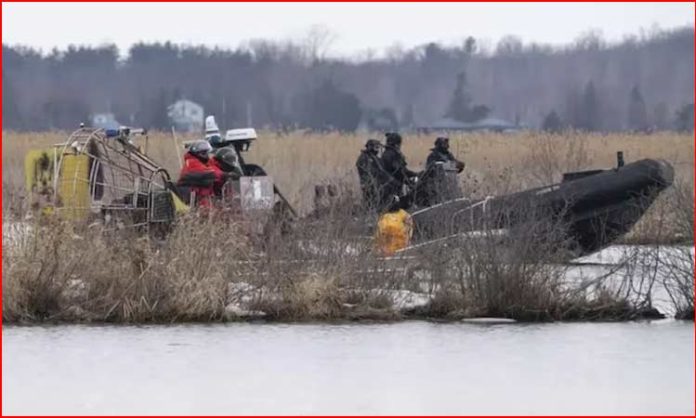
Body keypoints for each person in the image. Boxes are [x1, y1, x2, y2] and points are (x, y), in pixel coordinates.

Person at [417, 137, 465, 206]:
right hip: (437, 182)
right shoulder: (433, 155)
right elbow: (430, 168)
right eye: (444, 143)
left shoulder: (448, 155)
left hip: (450, 182)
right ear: (439, 144)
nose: (446, 145)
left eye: (446, 143)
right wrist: (442, 165)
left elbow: (454, 164)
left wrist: (459, 165)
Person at [380, 132, 418, 210]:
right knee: (394, 206)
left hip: (392, 185)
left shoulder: (388, 153)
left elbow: (402, 170)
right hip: (392, 186)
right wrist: (409, 180)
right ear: (396, 144)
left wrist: (414, 174)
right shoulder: (392, 154)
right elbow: (399, 171)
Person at [177, 140, 217, 208]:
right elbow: (209, 173)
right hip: (198, 200)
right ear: (199, 153)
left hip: (202, 199)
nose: (207, 156)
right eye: (205, 153)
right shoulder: (192, 162)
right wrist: (223, 174)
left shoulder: (200, 162)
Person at [355, 139, 387, 211]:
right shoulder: (364, 157)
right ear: (370, 147)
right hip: (368, 184)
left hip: (376, 184)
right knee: (369, 203)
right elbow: (365, 170)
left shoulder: (374, 158)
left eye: (378, 148)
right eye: (376, 147)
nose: (377, 150)